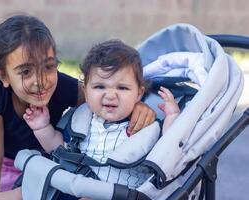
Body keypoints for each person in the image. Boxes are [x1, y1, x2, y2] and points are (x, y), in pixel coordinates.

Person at [0, 15, 156, 197]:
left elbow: (108, 100)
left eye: (48, 67)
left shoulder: (68, 88)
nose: (40, 81)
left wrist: (137, 106)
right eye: (25, 71)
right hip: (0, 166)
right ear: (3, 76)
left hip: (42, 164)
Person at [23, 40, 180, 194]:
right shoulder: (84, 120)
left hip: (119, 194)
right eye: (99, 87)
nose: (110, 95)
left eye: (122, 88)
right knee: (26, 191)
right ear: (85, 90)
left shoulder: (143, 126)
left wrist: (172, 116)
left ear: (139, 93)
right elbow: (59, 148)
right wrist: (42, 127)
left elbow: (170, 147)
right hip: (75, 187)